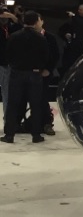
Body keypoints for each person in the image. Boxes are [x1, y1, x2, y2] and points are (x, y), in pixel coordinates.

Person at [1, 11, 50, 143]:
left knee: (13, 105)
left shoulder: (14, 36)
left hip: (17, 73)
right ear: (35, 22)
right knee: (36, 105)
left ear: (23, 21)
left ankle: (9, 135)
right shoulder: (41, 38)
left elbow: (8, 54)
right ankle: (36, 135)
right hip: (34, 74)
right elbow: (45, 56)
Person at [0, 0, 22, 119]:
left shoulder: (9, 28)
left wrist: (14, 18)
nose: (4, 15)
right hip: (3, 63)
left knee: (7, 93)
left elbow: (20, 31)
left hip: (6, 64)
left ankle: (8, 119)